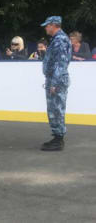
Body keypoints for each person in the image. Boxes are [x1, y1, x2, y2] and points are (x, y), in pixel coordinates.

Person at [41, 16, 72, 151]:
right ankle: (57, 137)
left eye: (47, 25)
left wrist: (54, 83)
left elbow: (61, 63)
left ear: (54, 25)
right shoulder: (56, 40)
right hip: (54, 79)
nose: (46, 28)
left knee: (57, 109)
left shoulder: (60, 40)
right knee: (53, 109)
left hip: (56, 80)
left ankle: (58, 140)